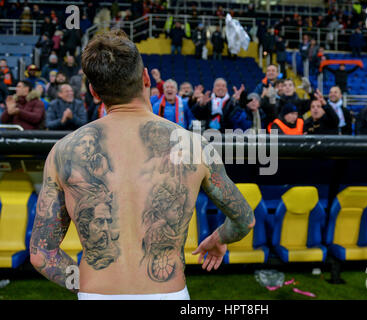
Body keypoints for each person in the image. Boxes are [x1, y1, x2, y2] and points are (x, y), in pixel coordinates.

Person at [29, 29, 255, 300]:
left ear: (94, 91)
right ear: (146, 77)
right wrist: (218, 239)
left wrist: (86, 285)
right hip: (167, 292)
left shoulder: (64, 151)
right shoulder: (194, 146)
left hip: (96, 292)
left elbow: (42, 254)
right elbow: (244, 219)